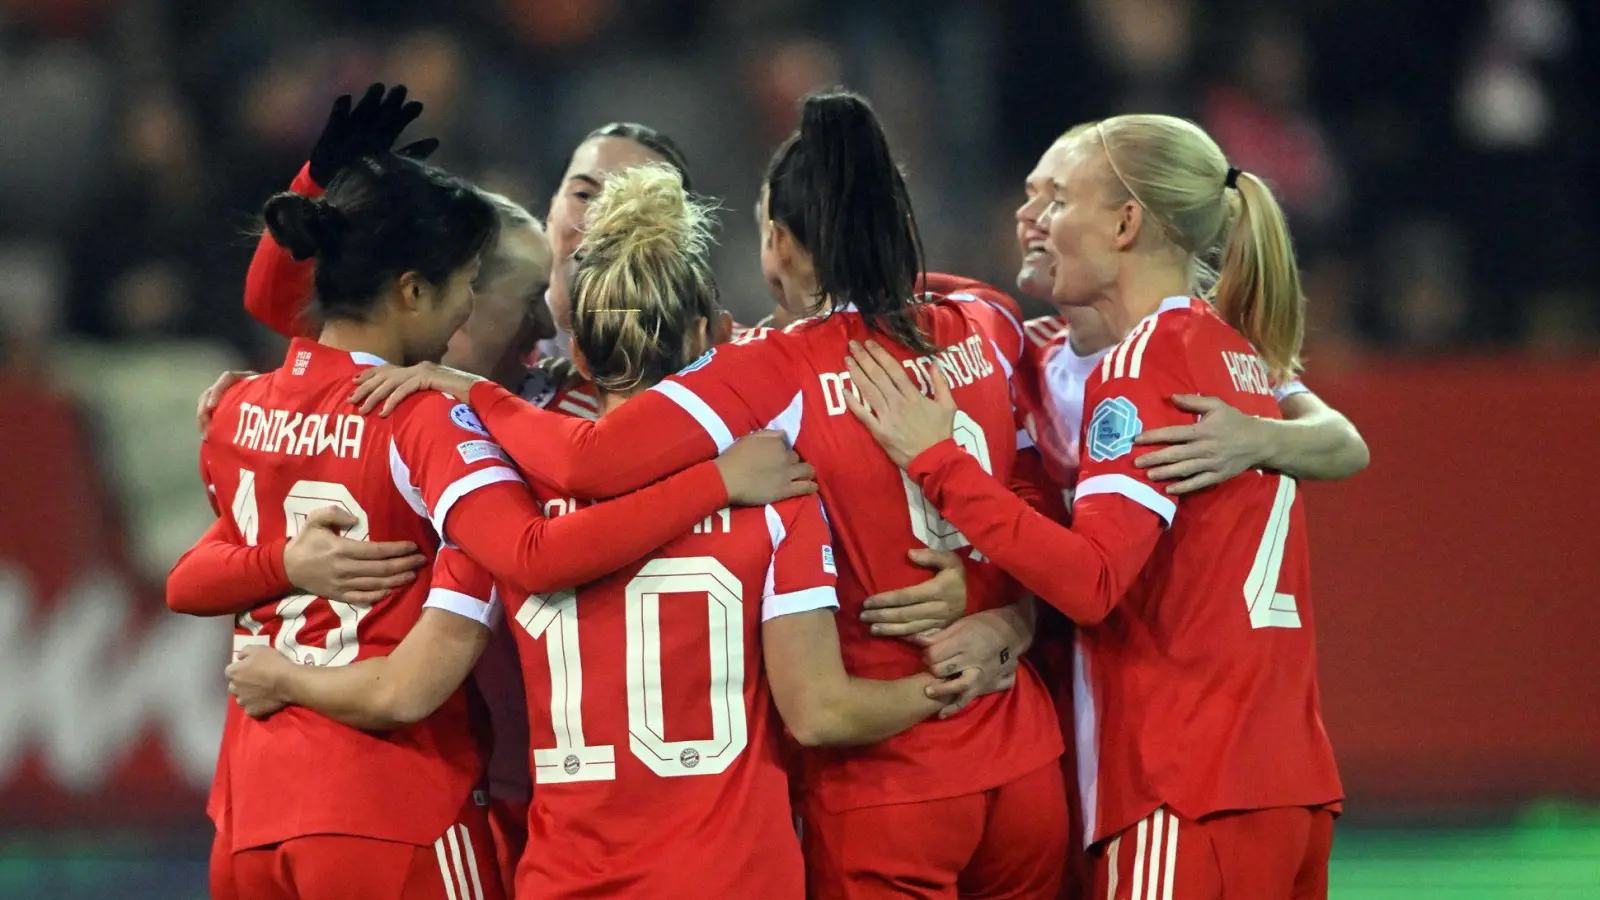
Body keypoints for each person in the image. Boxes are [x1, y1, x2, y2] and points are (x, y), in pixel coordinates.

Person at [350, 89, 1068, 900]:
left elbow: (581, 479)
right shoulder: (985, 322)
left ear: (779, 242)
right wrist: (1006, 612)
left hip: (842, 798)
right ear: (708, 329)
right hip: (993, 757)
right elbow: (1043, 487)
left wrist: (471, 394)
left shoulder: (535, 459)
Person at [171, 148, 811, 900]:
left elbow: (191, 576)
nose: (535, 317)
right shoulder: (454, 430)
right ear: (416, 292)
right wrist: (720, 482)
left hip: (268, 809)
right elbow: (535, 549)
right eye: (499, 291)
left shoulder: (258, 408)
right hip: (428, 809)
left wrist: (281, 574)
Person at [844, 114, 1345, 900]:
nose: (1026, 215)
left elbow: (1093, 579)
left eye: (1054, 196)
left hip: (1182, 781)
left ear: (1125, 222)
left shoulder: (1141, 363)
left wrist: (938, 462)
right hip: (1282, 780)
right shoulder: (1231, 348)